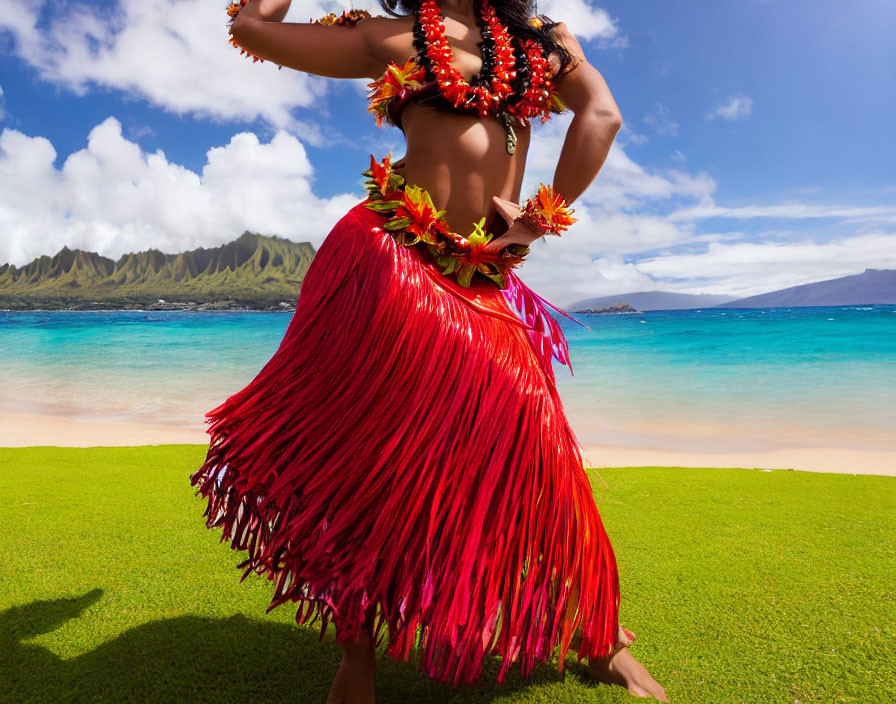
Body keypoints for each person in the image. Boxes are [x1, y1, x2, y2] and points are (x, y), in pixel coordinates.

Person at [189, 1, 668, 702]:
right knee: (359, 459)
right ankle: (357, 656)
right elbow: (253, 28)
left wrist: (541, 216)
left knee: (541, 453)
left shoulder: (544, 43)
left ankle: (595, 635)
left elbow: (602, 116)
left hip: (481, 278)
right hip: (387, 263)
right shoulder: (394, 36)